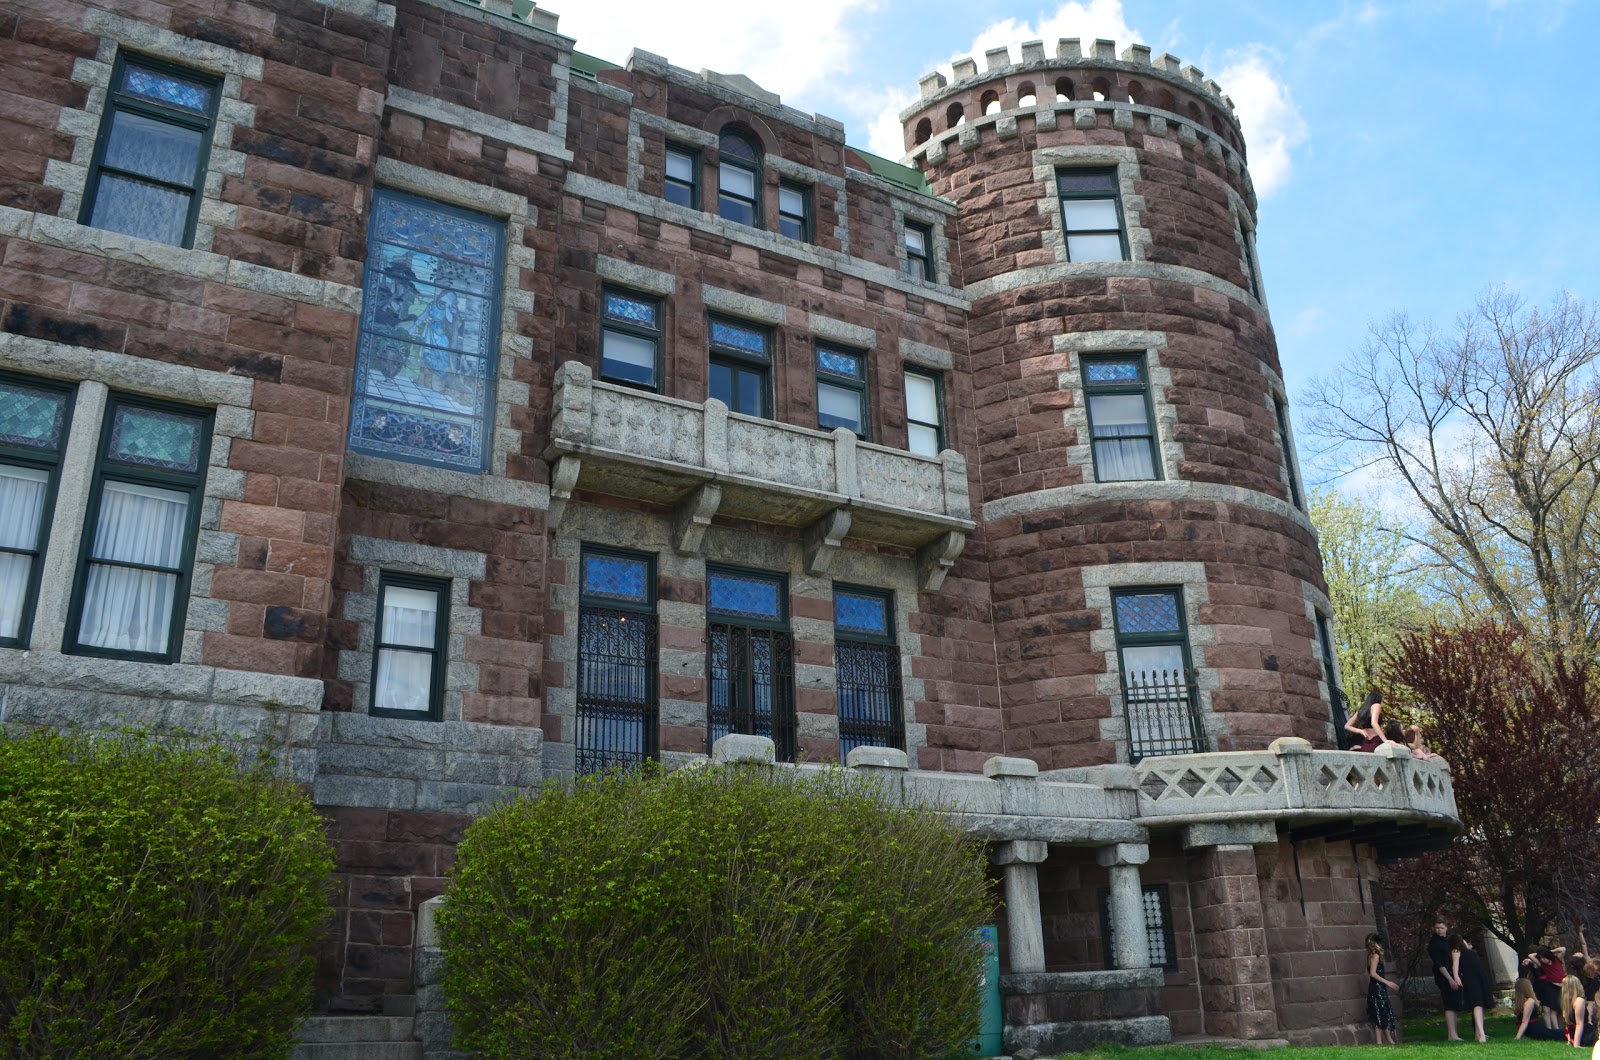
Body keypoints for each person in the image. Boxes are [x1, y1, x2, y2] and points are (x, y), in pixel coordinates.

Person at [1451, 934, 1494, 1043]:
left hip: (1479, 978)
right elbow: (1455, 965)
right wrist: (1456, 977)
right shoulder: (1456, 951)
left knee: (1480, 1005)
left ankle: (1478, 1034)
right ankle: (1481, 1033)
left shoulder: (1470, 952)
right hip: (1471, 979)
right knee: (1477, 1004)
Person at [1430, 922, 1465, 1041]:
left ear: (1446, 928)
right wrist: (1450, 979)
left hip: (1451, 974)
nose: (1439, 930)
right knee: (1449, 1004)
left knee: (1454, 1004)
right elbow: (1440, 964)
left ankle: (1453, 1034)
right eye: (1437, 928)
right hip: (1444, 976)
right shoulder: (1434, 943)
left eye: (1442, 928)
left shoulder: (1446, 941)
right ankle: (1452, 1034)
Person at [1366, 934, 1401, 1044]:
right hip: (1378, 987)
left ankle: (1390, 1041)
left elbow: (1365, 973)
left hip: (1375, 987)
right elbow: (1372, 973)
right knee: (1380, 1014)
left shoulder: (1370, 956)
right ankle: (1379, 1042)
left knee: (1382, 1013)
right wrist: (1388, 982)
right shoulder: (1375, 955)